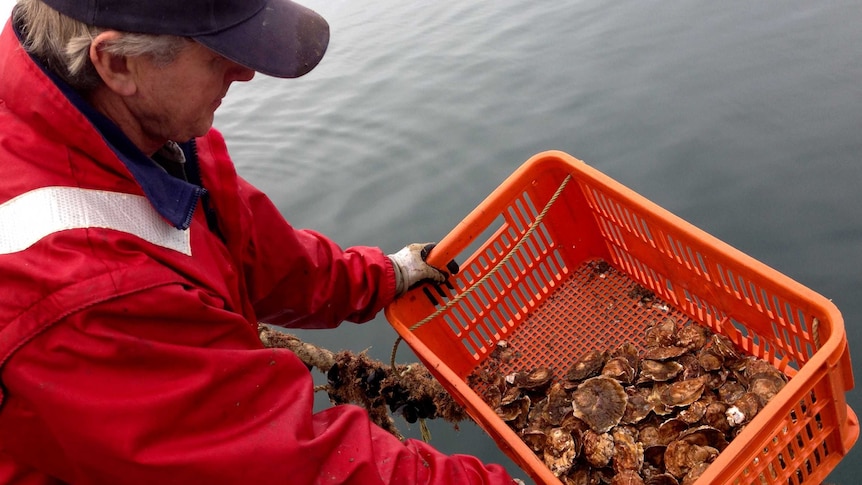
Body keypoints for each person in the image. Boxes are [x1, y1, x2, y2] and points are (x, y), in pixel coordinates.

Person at [0, 0, 518, 483]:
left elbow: (255, 251)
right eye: (219, 54)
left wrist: (385, 274)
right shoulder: (82, 293)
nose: (245, 71)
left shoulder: (144, 126)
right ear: (116, 62)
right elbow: (295, 466)